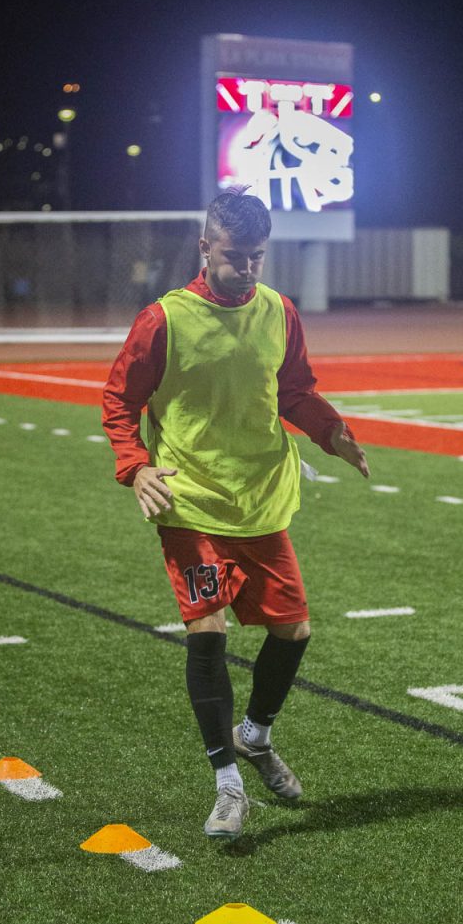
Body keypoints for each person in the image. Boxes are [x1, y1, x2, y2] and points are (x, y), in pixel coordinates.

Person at [102, 187, 369, 840]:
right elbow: (118, 401)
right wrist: (136, 467)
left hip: (260, 497)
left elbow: (295, 390)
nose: (247, 267)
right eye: (234, 255)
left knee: (294, 630)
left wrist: (330, 432)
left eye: (257, 256)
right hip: (189, 499)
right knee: (209, 629)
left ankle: (255, 735)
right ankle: (227, 786)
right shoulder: (164, 319)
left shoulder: (280, 311)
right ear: (205, 247)